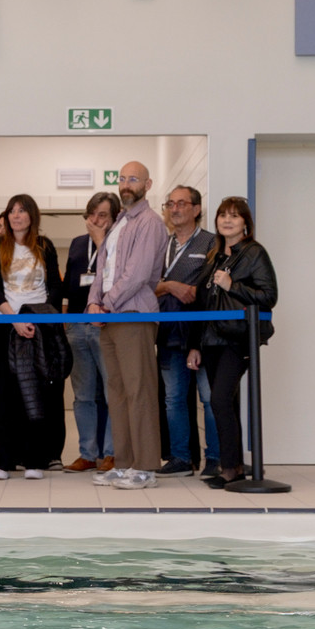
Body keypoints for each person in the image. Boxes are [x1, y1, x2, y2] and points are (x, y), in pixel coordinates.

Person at [86, 161, 167, 490]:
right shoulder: (119, 222)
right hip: (110, 317)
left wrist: (108, 303)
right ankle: (124, 463)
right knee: (117, 393)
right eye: (122, 179)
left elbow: (137, 273)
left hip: (132, 314)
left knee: (139, 392)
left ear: (147, 184)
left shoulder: (150, 222)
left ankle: (145, 467)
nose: (126, 184)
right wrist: (93, 302)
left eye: (133, 179)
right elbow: (102, 270)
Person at [187, 196, 278, 488]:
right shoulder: (215, 255)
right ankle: (234, 465)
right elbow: (202, 303)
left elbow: (268, 296)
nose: (227, 220)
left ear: (245, 223)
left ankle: (230, 469)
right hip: (212, 339)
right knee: (225, 402)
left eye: (234, 216)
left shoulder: (254, 253)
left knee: (219, 400)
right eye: (223, 215)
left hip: (237, 338)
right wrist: (195, 344)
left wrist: (232, 285)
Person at [0, 194, 68, 480]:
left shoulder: (45, 245)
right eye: (11, 211)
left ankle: (35, 460)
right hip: (6, 325)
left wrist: (39, 316)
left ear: (32, 215)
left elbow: (55, 286)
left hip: (39, 325)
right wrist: (14, 318)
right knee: (3, 396)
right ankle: (1, 462)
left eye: (22, 211)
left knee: (36, 395)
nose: (16, 216)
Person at [152, 184, 220, 478]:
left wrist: (195, 290)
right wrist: (170, 286)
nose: (175, 209)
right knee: (174, 399)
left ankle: (216, 458)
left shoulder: (210, 243)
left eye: (182, 203)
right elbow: (145, 286)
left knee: (210, 398)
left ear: (196, 209)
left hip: (203, 334)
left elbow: (216, 287)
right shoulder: (160, 246)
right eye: (170, 204)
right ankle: (181, 458)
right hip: (168, 333)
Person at [62, 192, 116, 472]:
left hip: (104, 324)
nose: (94, 220)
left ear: (114, 218)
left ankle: (111, 453)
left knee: (111, 391)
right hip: (76, 325)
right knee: (82, 395)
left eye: (103, 215)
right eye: (91, 214)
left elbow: (114, 278)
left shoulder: (118, 243)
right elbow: (71, 283)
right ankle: (87, 453)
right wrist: (66, 318)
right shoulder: (76, 244)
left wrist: (101, 242)